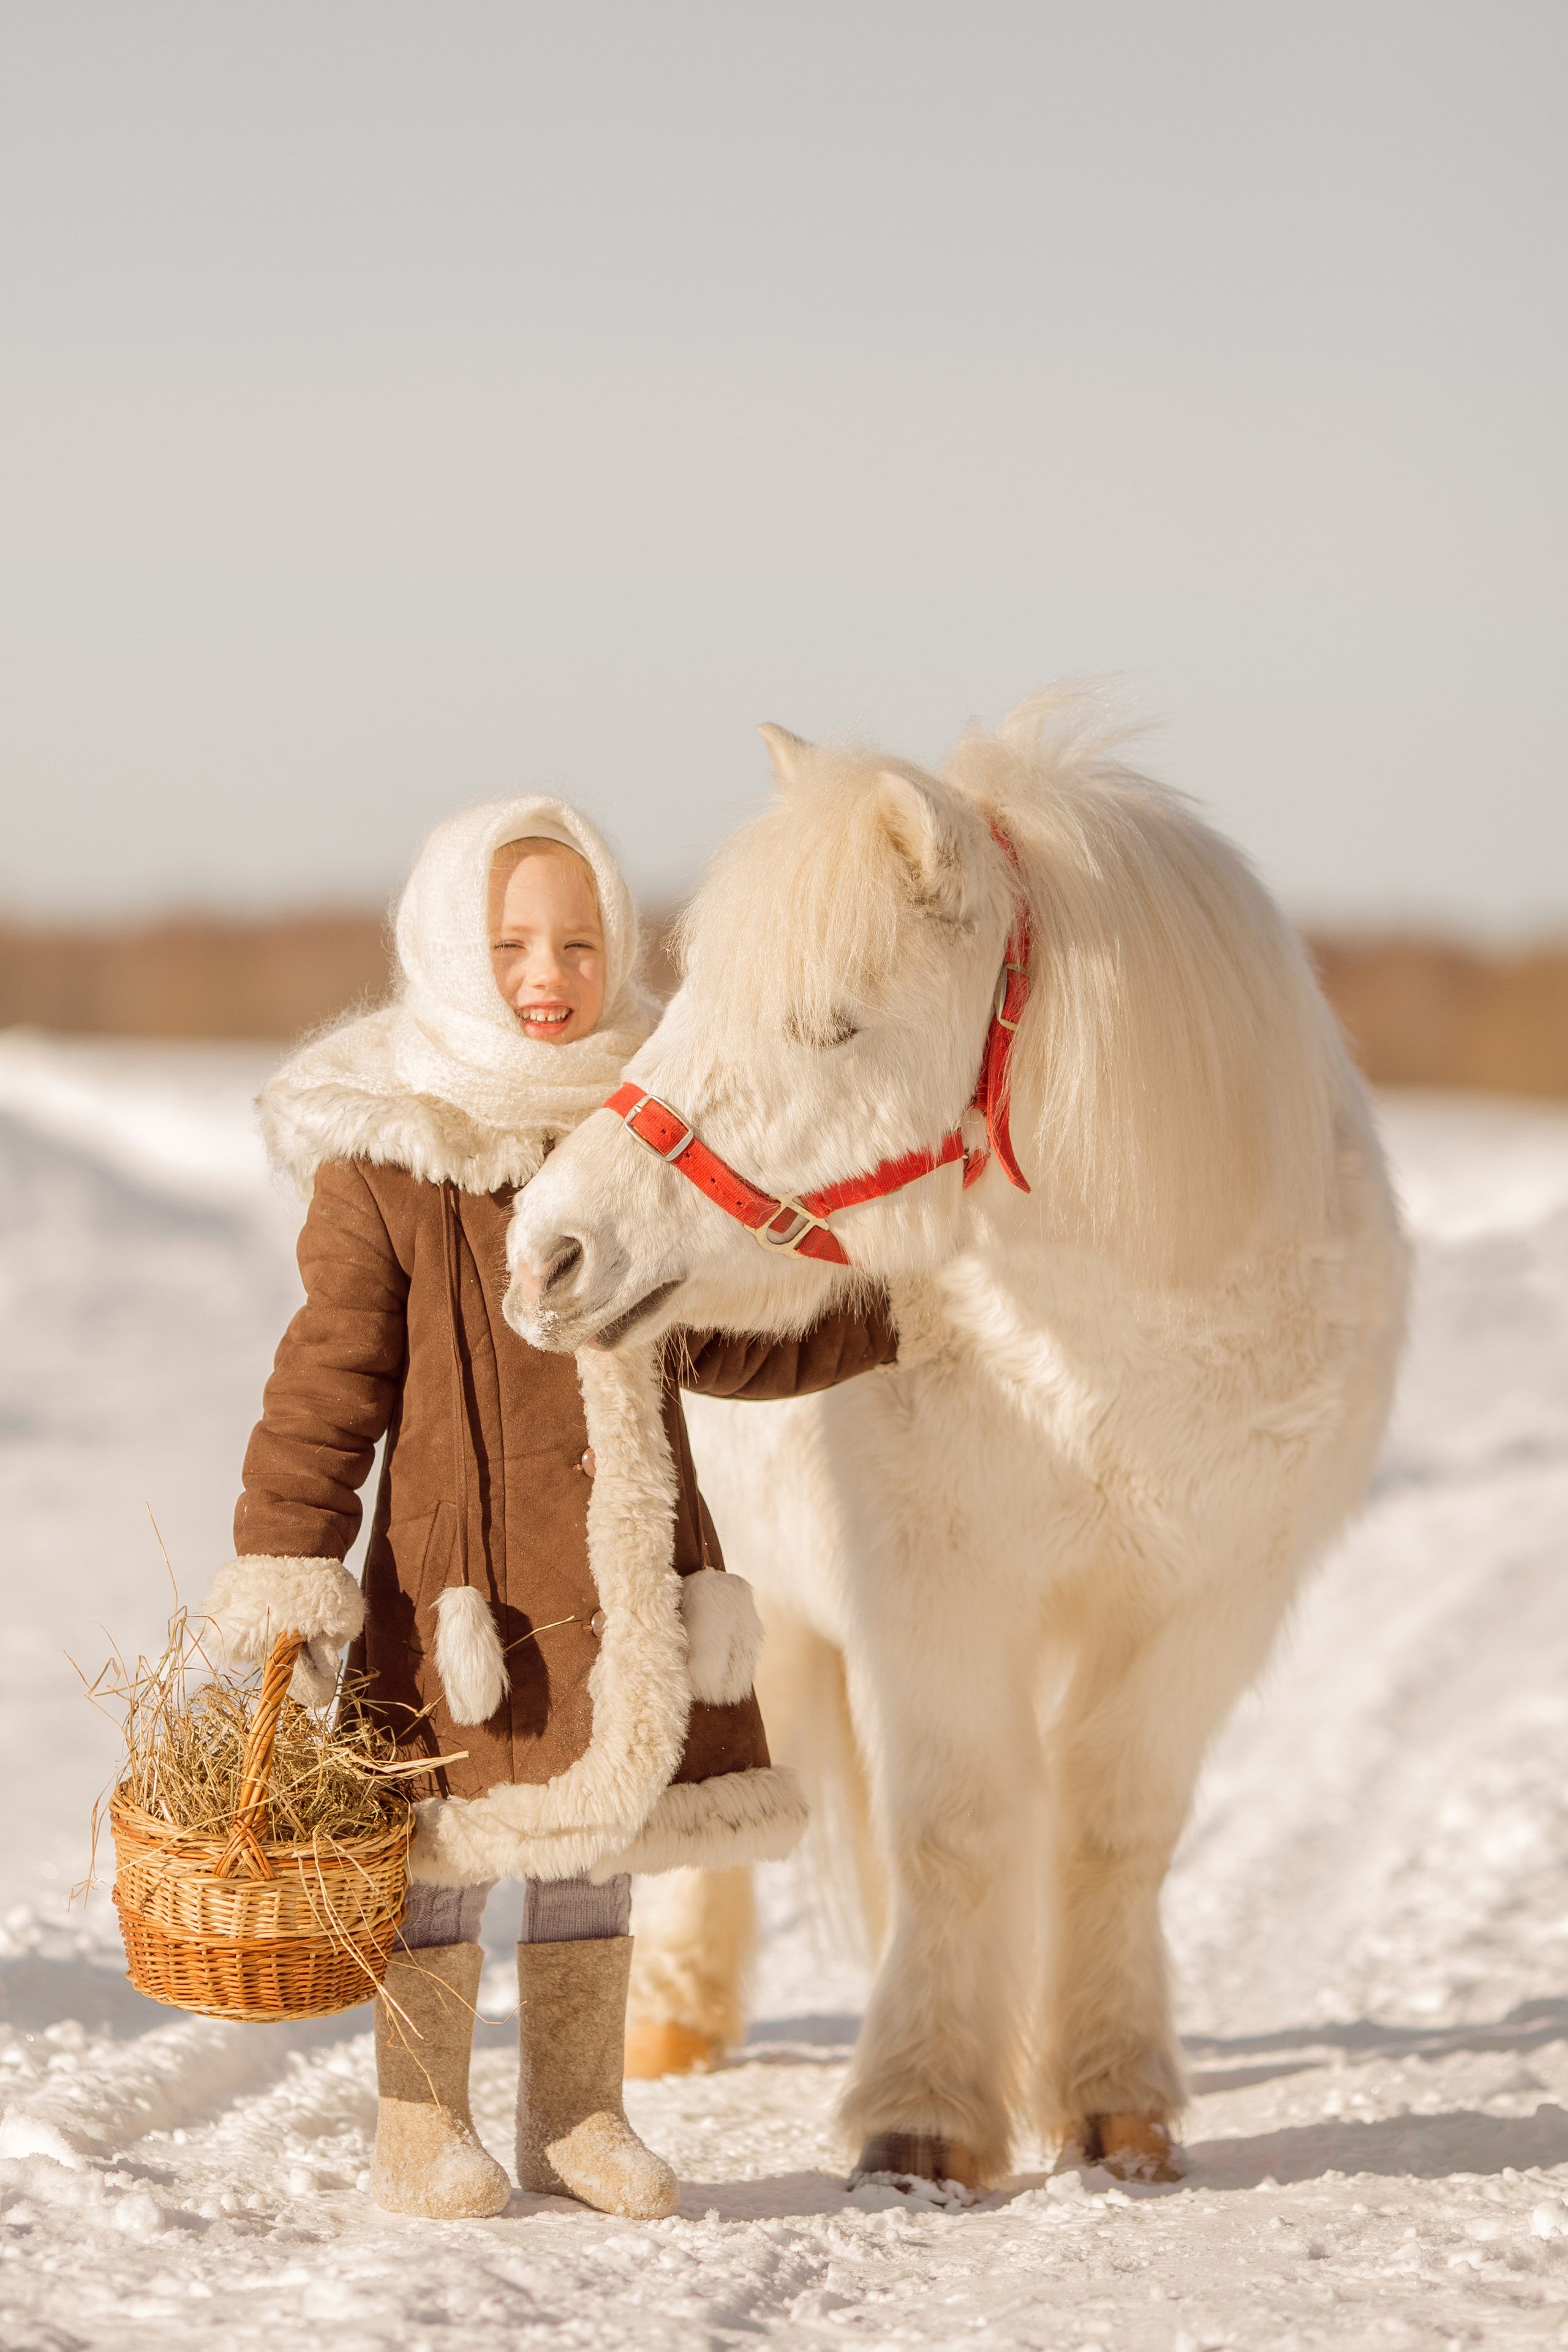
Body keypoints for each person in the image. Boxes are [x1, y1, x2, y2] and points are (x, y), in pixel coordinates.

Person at [201, 797, 896, 2222]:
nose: (549, 971)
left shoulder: (632, 1137)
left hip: (631, 1581)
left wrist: (893, 1316)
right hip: (467, 1593)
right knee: (447, 1862)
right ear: (450, 949)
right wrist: (286, 1557)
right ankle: (421, 2123)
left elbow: (718, 1338)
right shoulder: (393, 1155)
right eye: (511, 940)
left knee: (598, 1862)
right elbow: (330, 1376)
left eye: (579, 940)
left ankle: (577, 2118)